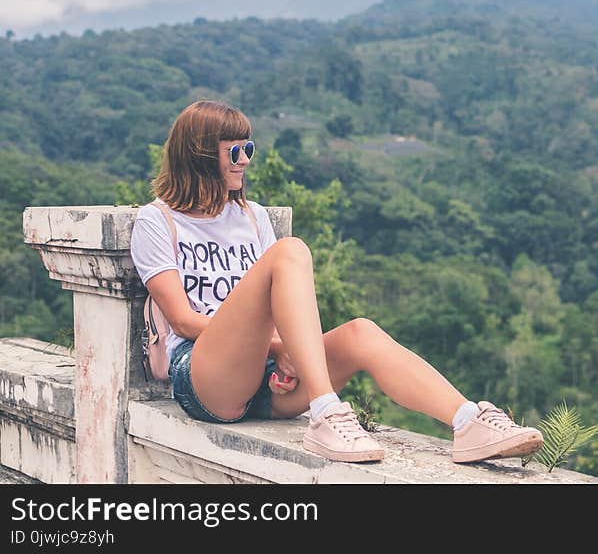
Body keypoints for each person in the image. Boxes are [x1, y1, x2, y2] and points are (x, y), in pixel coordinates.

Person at [130, 99, 544, 464]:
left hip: (267, 375)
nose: (245, 160)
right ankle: (326, 412)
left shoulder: (252, 217)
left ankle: (467, 421)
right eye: (234, 151)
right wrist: (280, 346)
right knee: (291, 251)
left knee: (361, 333)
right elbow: (183, 321)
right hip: (205, 377)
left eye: (249, 149)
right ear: (199, 155)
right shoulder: (159, 220)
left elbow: (277, 310)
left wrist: (285, 360)